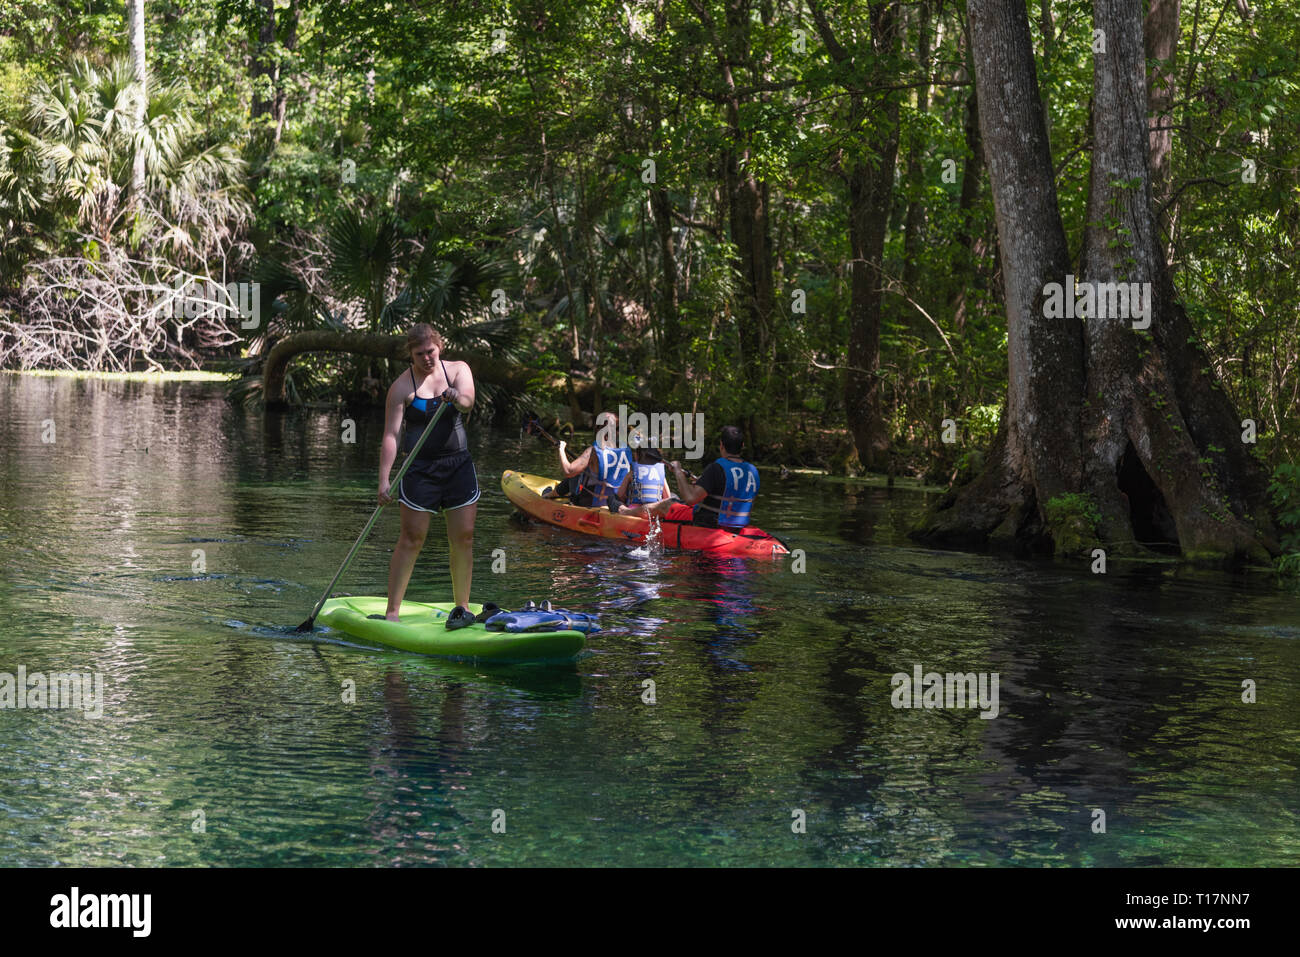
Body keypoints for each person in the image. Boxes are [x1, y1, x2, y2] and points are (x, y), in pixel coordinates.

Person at [377, 324, 480, 628]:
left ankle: (461, 607)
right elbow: (392, 436)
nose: (426, 358)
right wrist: (384, 480)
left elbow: (468, 401)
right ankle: (392, 612)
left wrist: (455, 397)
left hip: (458, 466)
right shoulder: (401, 387)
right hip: (419, 469)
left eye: (431, 351)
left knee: (463, 538)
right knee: (412, 539)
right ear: (410, 354)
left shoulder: (458, 370)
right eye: (419, 354)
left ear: (440, 347)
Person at [623, 425, 759, 530]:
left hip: (709, 523)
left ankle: (626, 512)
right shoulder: (752, 471)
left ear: (721, 445)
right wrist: (704, 482)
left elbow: (690, 499)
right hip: (737, 524)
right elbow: (729, 493)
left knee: (666, 504)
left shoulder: (716, 468)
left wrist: (677, 471)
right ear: (742, 446)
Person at [541, 411, 631, 509]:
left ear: (598, 429)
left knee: (574, 475)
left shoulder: (592, 451)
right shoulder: (627, 451)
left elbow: (568, 471)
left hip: (590, 502)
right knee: (581, 472)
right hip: (615, 503)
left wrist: (561, 449)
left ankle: (551, 495)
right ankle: (554, 493)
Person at [614, 434, 670, 508]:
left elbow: (619, 495)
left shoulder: (632, 472)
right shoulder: (660, 474)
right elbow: (667, 497)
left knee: (613, 499)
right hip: (655, 510)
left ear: (637, 456)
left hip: (634, 511)